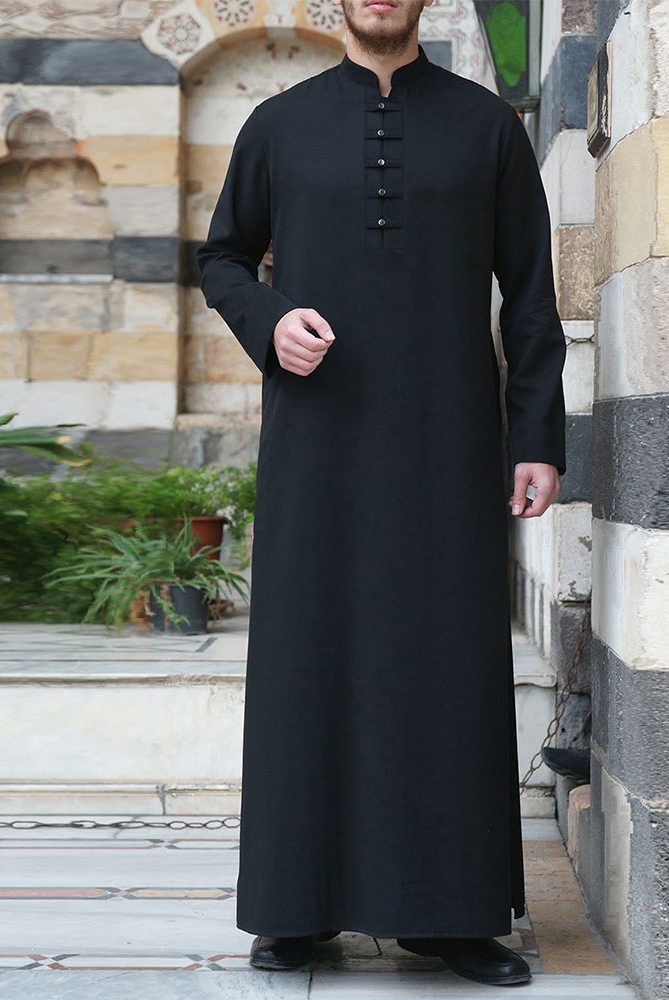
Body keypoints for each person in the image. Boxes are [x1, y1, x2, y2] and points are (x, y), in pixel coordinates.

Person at [196, 0, 566, 987]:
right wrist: (268, 321)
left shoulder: (487, 127)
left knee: (445, 663)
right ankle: (295, 908)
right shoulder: (279, 125)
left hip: (450, 444)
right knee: (308, 657)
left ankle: (454, 916)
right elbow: (220, 257)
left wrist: (535, 436)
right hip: (317, 444)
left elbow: (530, 292)